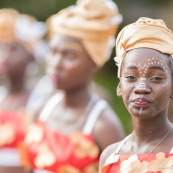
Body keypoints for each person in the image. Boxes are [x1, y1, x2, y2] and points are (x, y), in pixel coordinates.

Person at [20, 0, 125, 173]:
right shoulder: (42, 110)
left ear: (94, 62)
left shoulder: (104, 126)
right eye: (53, 51)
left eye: (69, 55)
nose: (55, 63)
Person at [99, 17, 173, 173]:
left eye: (156, 78)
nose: (141, 87)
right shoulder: (110, 157)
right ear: (120, 86)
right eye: (131, 77)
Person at [0, 8, 46, 173]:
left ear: (31, 56)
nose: (4, 55)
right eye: (1, 48)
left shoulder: (40, 99)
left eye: (13, 49)